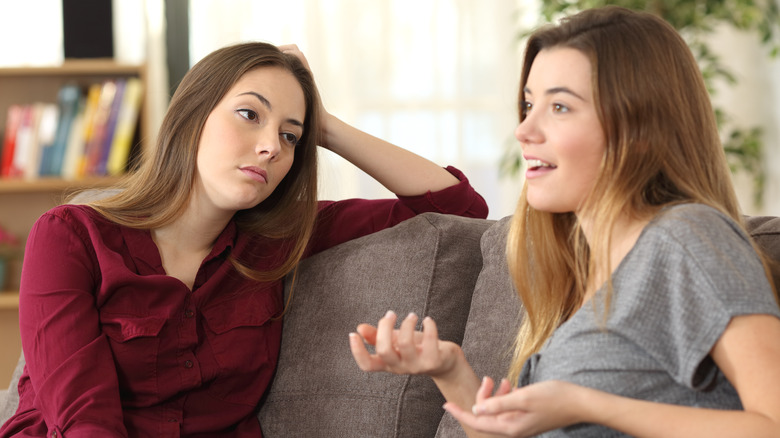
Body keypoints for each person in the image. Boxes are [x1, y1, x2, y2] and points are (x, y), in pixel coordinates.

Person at [0, 42, 488, 438]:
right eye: (250, 115)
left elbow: (458, 208)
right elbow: (85, 422)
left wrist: (326, 126)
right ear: (193, 115)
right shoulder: (70, 235)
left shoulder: (278, 241)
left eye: (291, 136)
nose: (271, 146)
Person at [349, 6, 780, 437]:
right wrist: (448, 370)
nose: (523, 129)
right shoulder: (585, 270)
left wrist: (584, 403)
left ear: (639, 129)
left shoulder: (687, 237)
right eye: (529, 104)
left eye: (559, 106)